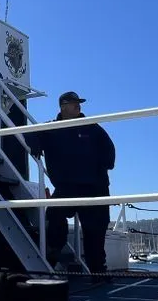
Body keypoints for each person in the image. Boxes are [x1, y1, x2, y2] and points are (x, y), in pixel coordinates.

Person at [25, 91, 116, 277]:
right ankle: (54, 254)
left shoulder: (92, 128)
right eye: (74, 103)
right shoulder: (51, 129)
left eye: (79, 103)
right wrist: (34, 147)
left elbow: (109, 151)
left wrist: (101, 167)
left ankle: (98, 272)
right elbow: (30, 135)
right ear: (63, 106)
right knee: (54, 215)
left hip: (94, 187)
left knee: (95, 231)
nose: (78, 106)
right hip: (67, 186)